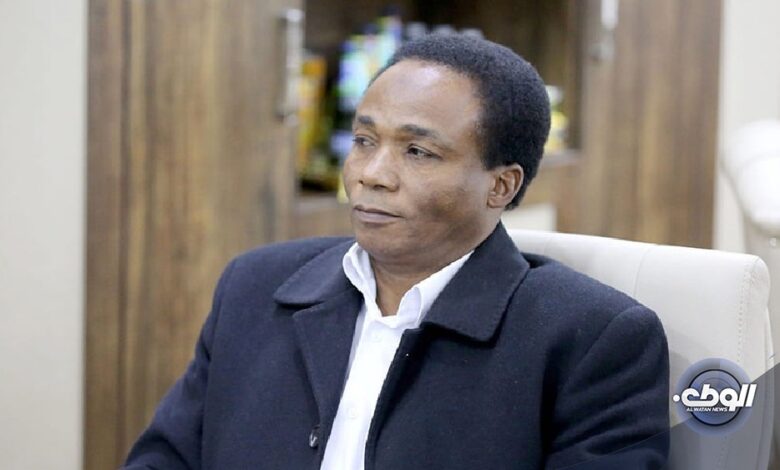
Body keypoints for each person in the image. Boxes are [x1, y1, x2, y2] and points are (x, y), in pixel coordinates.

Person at [124, 34, 669, 469]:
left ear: (501, 186)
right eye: (364, 141)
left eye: (417, 151)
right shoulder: (255, 287)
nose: (371, 174)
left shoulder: (593, 338)